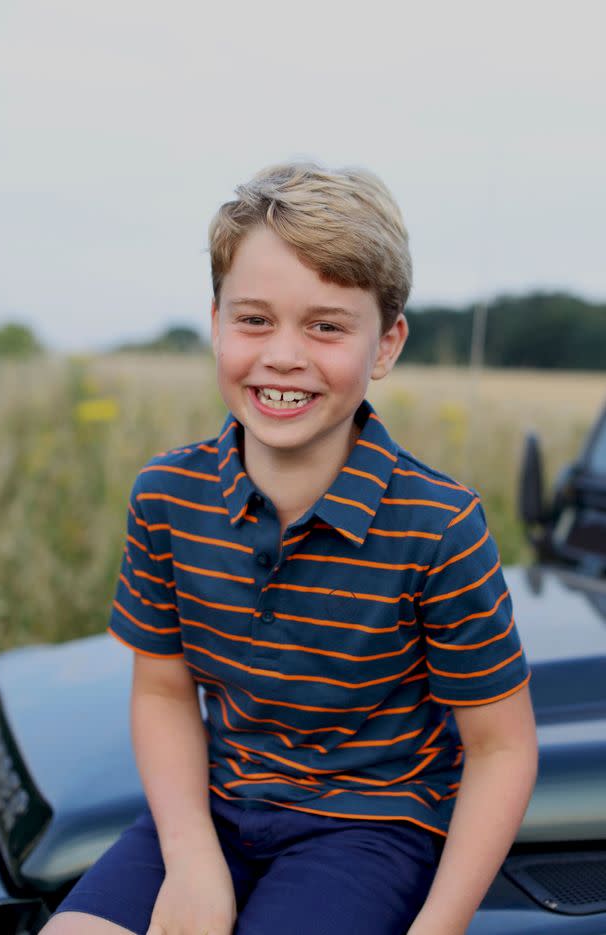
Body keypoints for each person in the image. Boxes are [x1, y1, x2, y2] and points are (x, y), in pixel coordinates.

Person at [43, 163, 538, 935]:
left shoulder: (440, 528)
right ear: (215, 322)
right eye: (254, 319)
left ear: (386, 342)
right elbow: (165, 693)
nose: (283, 355)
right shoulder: (167, 496)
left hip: (367, 828)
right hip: (212, 810)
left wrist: (436, 929)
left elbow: (501, 749)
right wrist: (191, 856)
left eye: (326, 325)